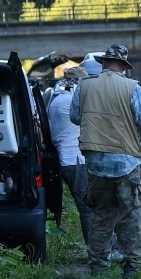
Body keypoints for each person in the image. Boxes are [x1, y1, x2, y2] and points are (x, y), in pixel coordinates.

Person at [70, 43, 141, 278]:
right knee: (130, 214)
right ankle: (130, 266)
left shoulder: (84, 86)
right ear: (124, 66)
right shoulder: (132, 88)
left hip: (96, 164)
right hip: (126, 163)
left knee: (101, 215)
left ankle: (98, 268)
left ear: (103, 63)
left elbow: (74, 118)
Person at [45, 65, 92, 244]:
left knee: (87, 207)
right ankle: (96, 251)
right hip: (75, 161)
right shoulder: (72, 100)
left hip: (66, 160)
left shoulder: (56, 98)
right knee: (88, 208)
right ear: (77, 82)